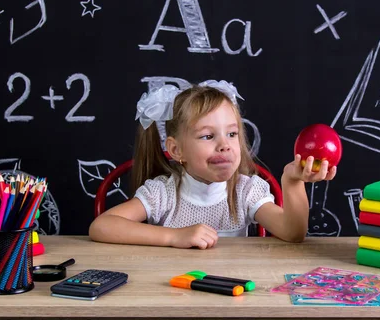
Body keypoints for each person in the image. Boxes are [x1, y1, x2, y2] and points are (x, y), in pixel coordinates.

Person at [89, 81, 337, 249]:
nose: (225, 145)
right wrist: (174, 237)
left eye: (231, 134)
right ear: (177, 150)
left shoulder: (245, 191)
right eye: (208, 136)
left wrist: (292, 182)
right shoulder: (162, 194)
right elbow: (102, 226)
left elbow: (292, 233)